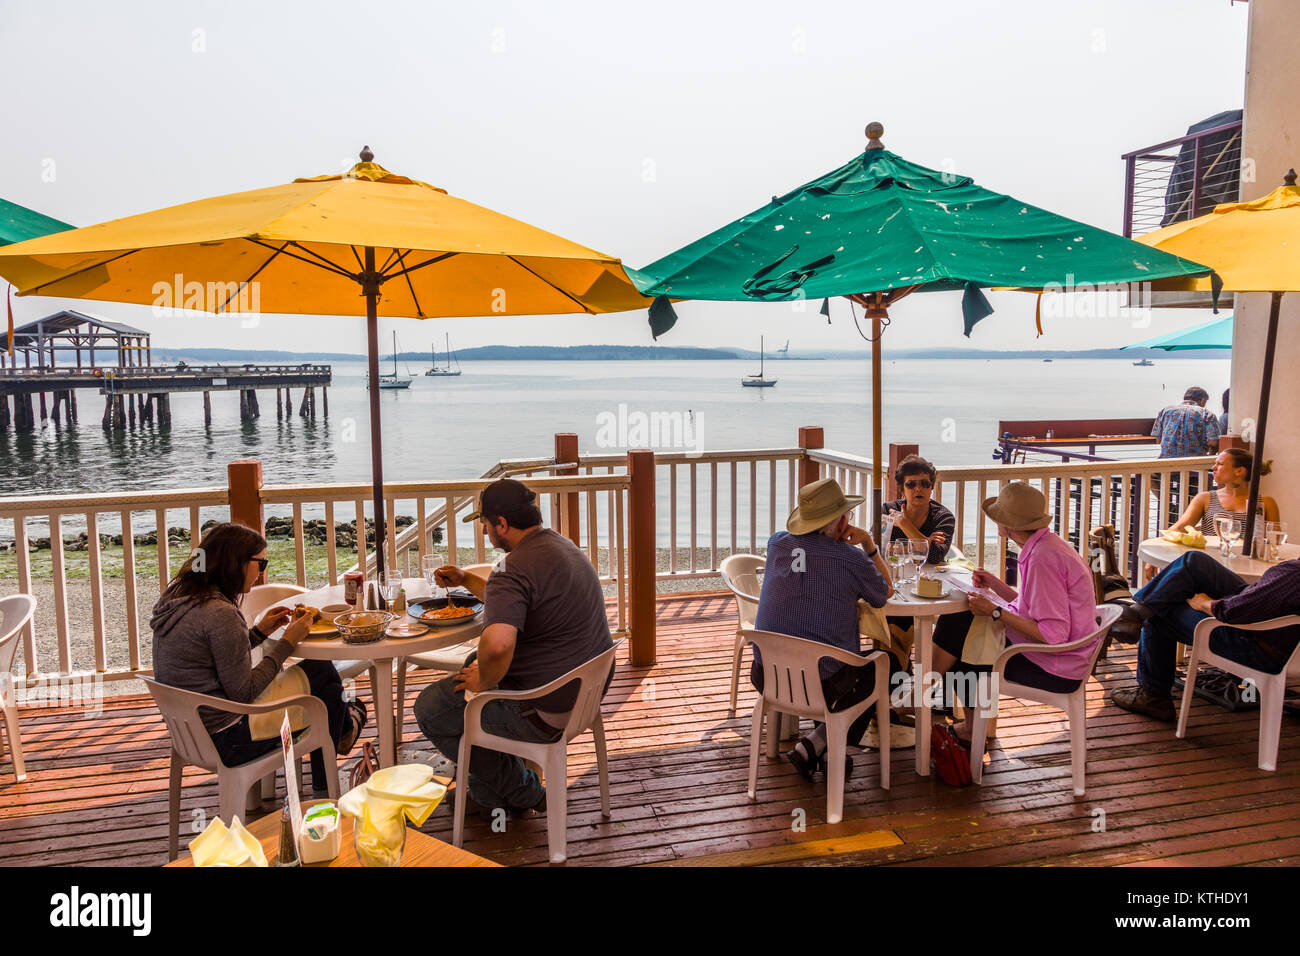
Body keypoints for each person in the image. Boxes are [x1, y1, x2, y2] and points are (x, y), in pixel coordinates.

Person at [414, 478, 613, 818]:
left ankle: (524, 792)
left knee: (433, 708)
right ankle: (488, 795)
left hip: (544, 710)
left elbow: (500, 643)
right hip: (586, 694)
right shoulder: (563, 547)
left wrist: (484, 682)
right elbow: (507, 597)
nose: (485, 533)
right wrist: (464, 579)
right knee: (474, 661)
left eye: (486, 526)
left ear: (502, 524)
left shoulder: (511, 567)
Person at [150, 522, 365, 793]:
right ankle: (331, 770)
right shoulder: (219, 613)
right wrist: (288, 642)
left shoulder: (180, 599)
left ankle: (341, 736)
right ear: (235, 562)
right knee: (324, 679)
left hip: (192, 733)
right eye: (261, 564)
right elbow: (244, 691)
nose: (264, 572)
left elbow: (218, 657)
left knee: (329, 690)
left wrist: (258, 633)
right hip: (230, 737)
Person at [930, 483, 1100, 746]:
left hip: (1055, 666)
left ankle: (923, 693)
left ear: (1008, 525)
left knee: (961, 631)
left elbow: (1053, 635)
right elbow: (1035, 606)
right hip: (1067, 656)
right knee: (963, 627)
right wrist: (996, 585)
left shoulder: (1042, 558)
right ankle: (957, 716)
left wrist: (995, 611)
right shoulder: (1048, 545)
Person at [751, 477, 893, 778]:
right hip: (821, 683)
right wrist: (868, 544)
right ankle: (818, 743)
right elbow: (883, 594)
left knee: (828, 655)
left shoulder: (777, 543)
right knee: (882, 667)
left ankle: (827, 755)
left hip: (768, 674)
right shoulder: (851, 558)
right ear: (842, 522)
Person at [1109, 551, 1300, 720]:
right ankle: (1136, 613)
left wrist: (1205, 604)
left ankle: (1153, 696)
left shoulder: (1294, 574)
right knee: (1196, 562)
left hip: (1257, 647)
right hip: (1282, 641)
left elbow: (1233, 612)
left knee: (1160, 611)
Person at [1168, 448, 1278, 536]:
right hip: (1210, 560)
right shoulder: (1205, 498)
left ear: (1239, 471)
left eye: (1220, 464)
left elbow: (1276, 540)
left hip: (1247, 562)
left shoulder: (1265, 503)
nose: (1213, 467)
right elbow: (1179, 528)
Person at [882, 454, 955, 566]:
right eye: (911, 484)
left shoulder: (943, 517)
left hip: (930, 578)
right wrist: (926, 542)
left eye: (924, 484)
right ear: (902, 490)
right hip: (895, 574)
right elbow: (877, 547)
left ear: (931, 488)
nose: (918, 489)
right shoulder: (888, 510)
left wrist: (903, 523)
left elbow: (936, 556)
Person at [1153, 386, 1221, 459]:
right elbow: (1213, 442)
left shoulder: (1165, 411)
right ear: (1203, 400)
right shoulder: (1206, 413)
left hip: (1167, 463)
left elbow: (1158, 437)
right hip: (1195, 464)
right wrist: (1209, 459)